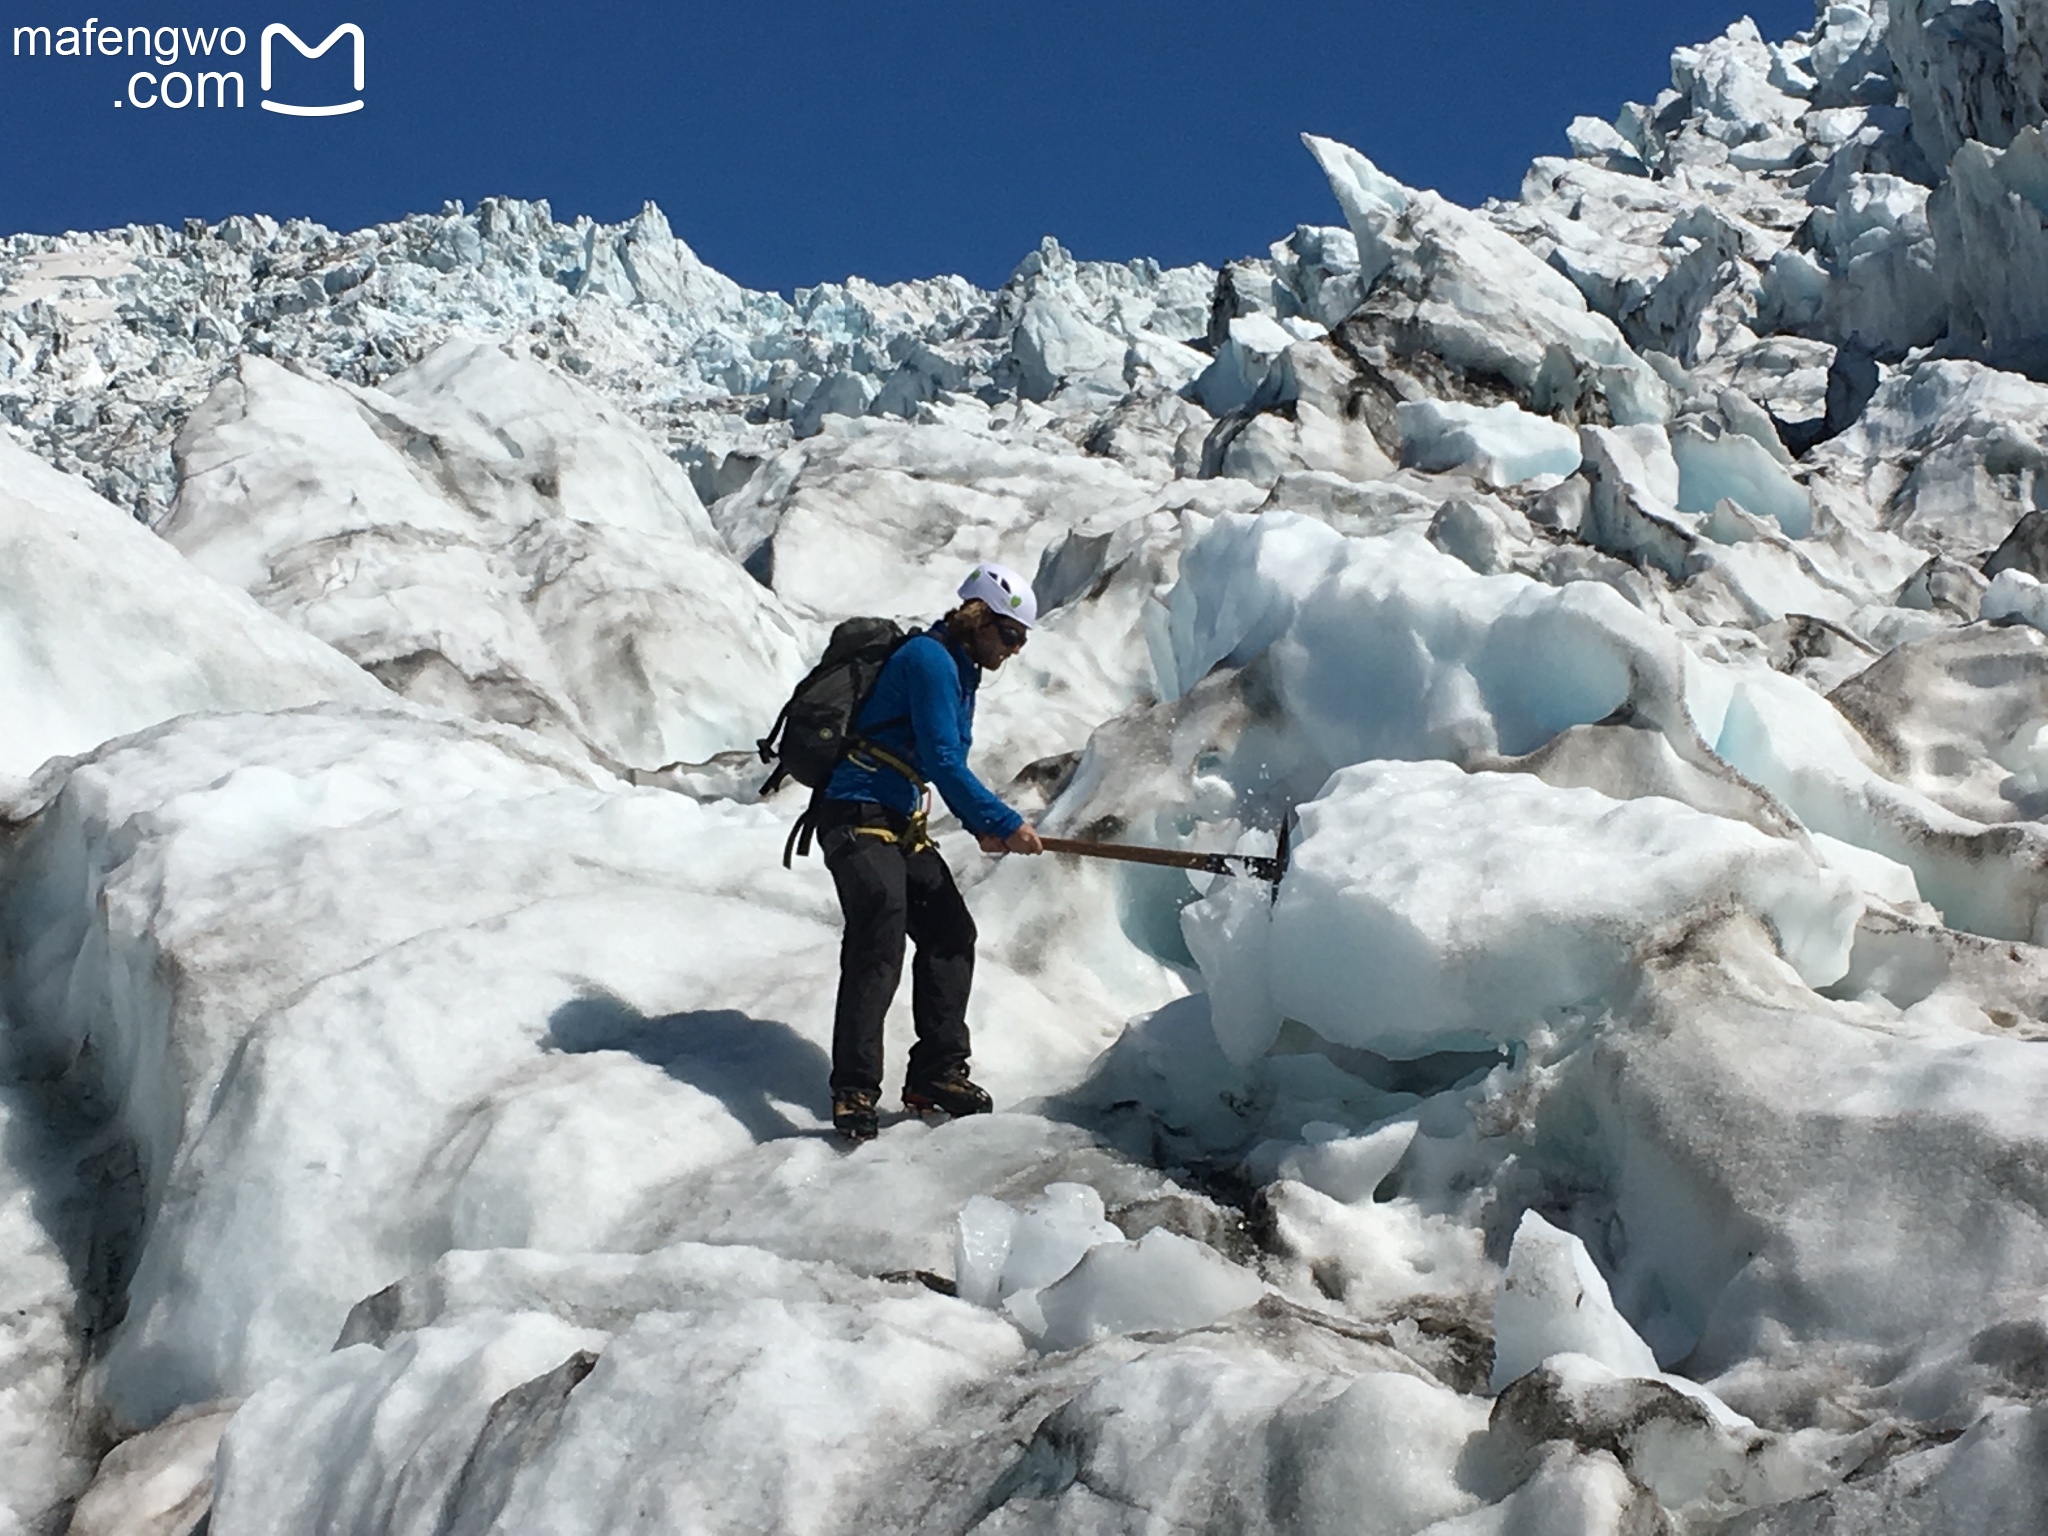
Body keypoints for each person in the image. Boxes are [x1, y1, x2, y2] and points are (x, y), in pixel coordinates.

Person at [815, 563, 1044, 1142]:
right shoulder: (930, 660)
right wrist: (1000, 821)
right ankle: (855, 1089)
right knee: (881, 930)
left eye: (1021, 639)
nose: (1015, 650)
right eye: (1011, 635)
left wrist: (982, 824)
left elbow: (936, 763)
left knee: (949, 932)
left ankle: (937, 1073)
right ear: (980, 619)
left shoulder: (959, 667)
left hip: (895, 818)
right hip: (855, 812)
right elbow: (943, 760)